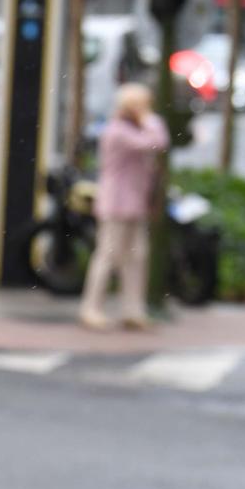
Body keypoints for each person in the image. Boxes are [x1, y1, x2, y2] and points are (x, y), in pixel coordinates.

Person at [80, 82, 168, 331]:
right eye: (142, 105)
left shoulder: (133, 129)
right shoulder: (118, 131)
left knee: (136, 255)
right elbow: (157, 142)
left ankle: (133, 309)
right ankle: (91, 307)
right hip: (117, 202)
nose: (147, 110)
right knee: (108, 255)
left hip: (135, 202)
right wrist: (149, 119)